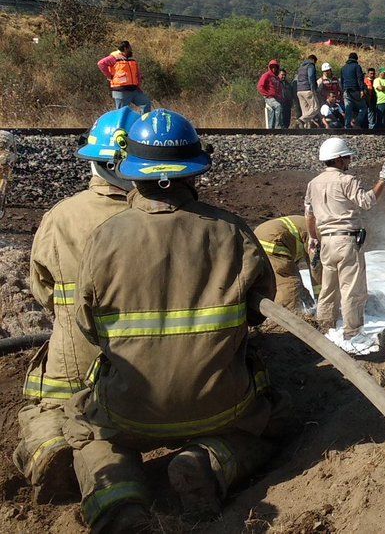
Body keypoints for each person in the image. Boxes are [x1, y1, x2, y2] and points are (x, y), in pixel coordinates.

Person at [65, 109, 282, 530]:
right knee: (268, 424)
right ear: (194, 172)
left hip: (131, 412)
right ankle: (207, 461)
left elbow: (87, 325)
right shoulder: (233, 232)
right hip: (223, 407)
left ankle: (122, 503)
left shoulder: (104, 237)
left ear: (132, 172)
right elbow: (260, 311)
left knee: (94, 440)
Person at [15, 109, 136, 505]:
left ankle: (47, 445)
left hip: (73, 363)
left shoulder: (59, 217)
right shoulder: (155, 219)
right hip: (139, 367)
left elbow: (42, 290)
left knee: (46, 407)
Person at [305, 138, 385, 352]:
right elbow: (367, 201)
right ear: (339, 159)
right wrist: (383, 180)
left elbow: (309, 214)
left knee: (328, 289)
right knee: (351, 289)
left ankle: (325, 329)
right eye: (347, 157)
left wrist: (313, 238)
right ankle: (352, 333)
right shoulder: (347, 180)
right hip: (346, 240)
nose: (350, 160)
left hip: (325, 242)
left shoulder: (313, 183)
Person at [254, 215, 322, 314]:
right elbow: (316, 267)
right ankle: (286, 323)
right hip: (273, 239)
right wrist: (321, 300)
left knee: (277, 280)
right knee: (288, 284)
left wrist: (303, 292)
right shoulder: (318, 233)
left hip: (261, 236)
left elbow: (294, 269)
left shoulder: (307, 225)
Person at [97, 40, 151, 111]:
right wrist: (109, 76)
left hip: (134, 90)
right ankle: (121, 122)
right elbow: (101, 63)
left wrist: (138, 84)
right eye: (130, 48)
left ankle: (143, 122)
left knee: (146, 103)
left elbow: (137, 73)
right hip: (121, 91)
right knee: (122, 113)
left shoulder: (131, 59)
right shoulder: (114, 58)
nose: (131, 50)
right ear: (125, 48)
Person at [341, 53, 366, 129]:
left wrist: (343, 90)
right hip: (355, 90)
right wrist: (362, 90)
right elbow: (359, 79)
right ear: (356, 59)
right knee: (363, 107)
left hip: (346, 91)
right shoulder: (357, 66)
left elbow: (342, 81)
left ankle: (347, 126)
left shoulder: (343, 68)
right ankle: (356, 122)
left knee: (348, 109)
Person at [257, 59, 285, 129]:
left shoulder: (276, 78)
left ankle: (271, 128)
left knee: (274, 112)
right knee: (278, 106)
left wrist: (281, 97)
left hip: (277, 98)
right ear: (269, 67)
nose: (274, 68)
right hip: (269, 97)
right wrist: (266, 94)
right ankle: (277, 127)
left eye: (275, 67)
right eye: (272, 67)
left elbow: (279, 89)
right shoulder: (266, 75)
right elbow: (260, 86)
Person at [296, 55, 320, 128]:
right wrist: (313, 89)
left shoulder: (301, 67)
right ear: (313, 60)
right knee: (316, 107)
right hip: (307, 89)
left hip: (299, 91)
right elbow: (311, 76)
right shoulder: (310, 66)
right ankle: (301, 120)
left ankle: (306, 128)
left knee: (306, 112)